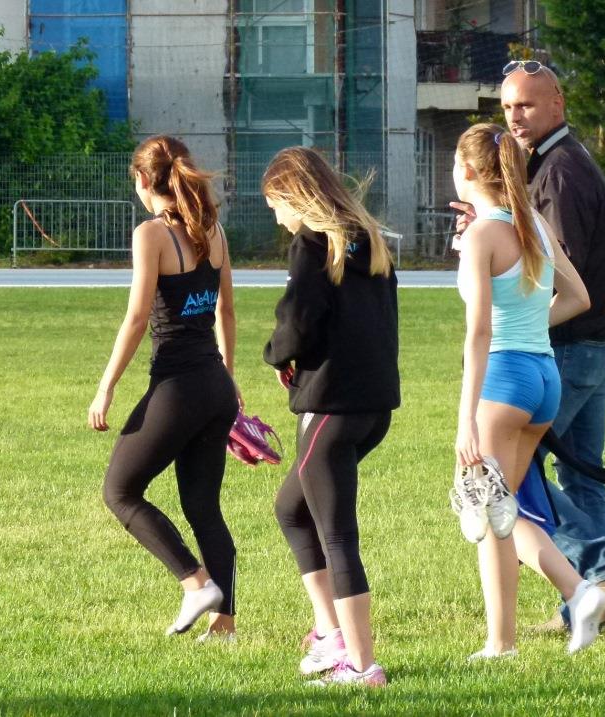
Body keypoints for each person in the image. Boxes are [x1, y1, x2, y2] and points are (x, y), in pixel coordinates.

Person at [452, 61, 605, 633]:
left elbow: (544, 276)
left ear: (557, 103)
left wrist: (487, 240)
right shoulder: (556, 166)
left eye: (527, 106)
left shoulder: (557, 174)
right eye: (508, 107)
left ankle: (598, 571)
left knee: (514, 483)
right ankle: (586, 600)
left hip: (564, 351)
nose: (516, 117)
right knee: (581, 476)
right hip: (589, 347)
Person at [89, 135, 241, 641]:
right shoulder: (213, 230)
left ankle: (196, 584)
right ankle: (224, 626)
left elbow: (137, 318)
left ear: (141, 179)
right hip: (215, 385)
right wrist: (229, 377)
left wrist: (106, 387)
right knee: (203, 506)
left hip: (179, 387)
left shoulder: (151, 234)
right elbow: (226, 310)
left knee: (120, 491)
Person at [262, 147, 399, 688]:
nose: (277, 218)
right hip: (373, 405)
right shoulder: (368, 237)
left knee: (337, 535)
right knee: (291, 508)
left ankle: (361, 665)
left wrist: (277, 354)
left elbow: (299, 320)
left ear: (293, 196)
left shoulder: (312, 242)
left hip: (331, 406)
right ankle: (329, 632)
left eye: (275, 205)